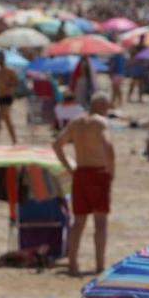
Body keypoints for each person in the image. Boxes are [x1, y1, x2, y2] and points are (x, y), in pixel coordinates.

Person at [53, 93, 115, 276]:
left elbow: (57, 144)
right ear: (101, 106)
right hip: (98, 173)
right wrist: (111, 171)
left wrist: (69, 166)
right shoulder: (100, 123)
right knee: (100, 222)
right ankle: (99, 265)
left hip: (80, 172)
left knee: (78, 222)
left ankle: (73, 264)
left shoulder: (76, 122)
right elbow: (108, 146)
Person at [0, 50, 19, 148]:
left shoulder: (9, 70)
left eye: (1, 57)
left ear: (4, 59)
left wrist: (8, 85)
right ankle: (14, 141)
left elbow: (16, 82)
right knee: (7, 120)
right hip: (0, 97)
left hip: (7, 97)